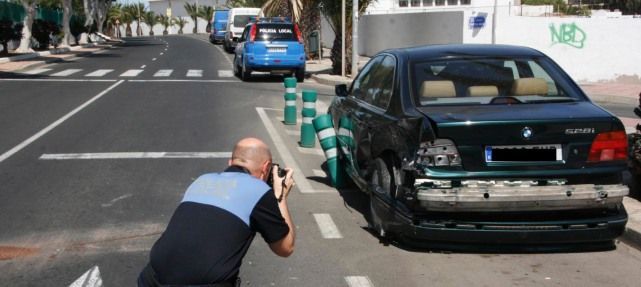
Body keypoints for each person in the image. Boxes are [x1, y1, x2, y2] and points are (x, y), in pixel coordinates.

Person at [138, 137, 296, 287]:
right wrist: (280, 196)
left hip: (151, 277)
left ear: (230, 162)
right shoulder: (259, 190)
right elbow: (285, 248)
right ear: (266, 167)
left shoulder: (201, 180)